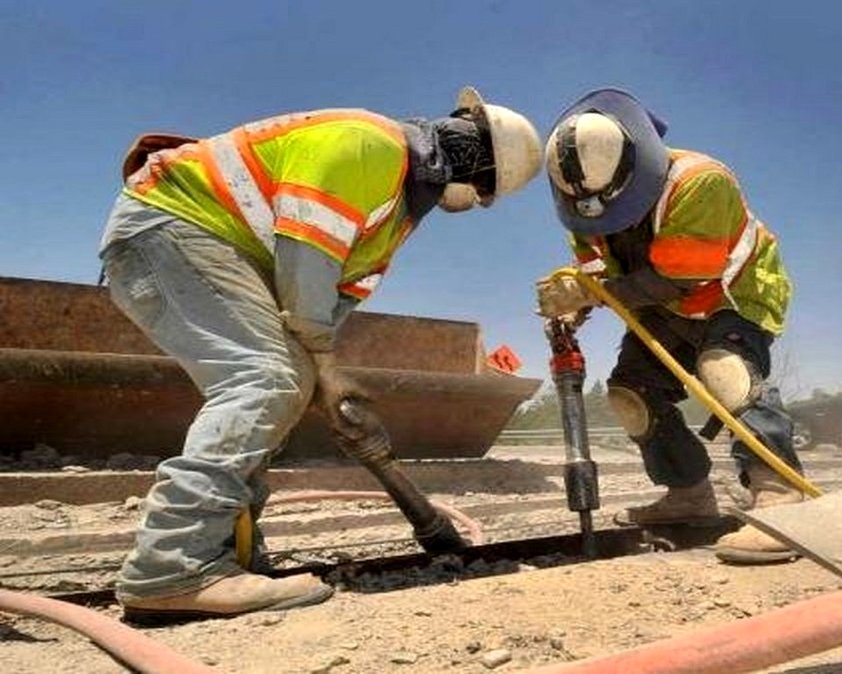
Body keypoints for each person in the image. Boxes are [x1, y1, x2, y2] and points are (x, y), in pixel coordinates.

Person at [99, 87, 542, 620]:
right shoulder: (370, 143)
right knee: (264, 379)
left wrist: (325, 381)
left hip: (211, 247)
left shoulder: (390, 219)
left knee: (285, 383)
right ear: (477, 168)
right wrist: (319, 367)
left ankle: (227, 554)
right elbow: (305, 261)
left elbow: (327, 309)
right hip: (174, 228)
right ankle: (172, 567)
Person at [535, 88, 801, 564]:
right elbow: (600, 269)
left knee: (725, 370)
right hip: (662, 303)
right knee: (631, 395)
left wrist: (591, 293)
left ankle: (779, 493)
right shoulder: (582, 206)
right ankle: (689, 494)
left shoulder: (700, 181)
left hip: (731, 293)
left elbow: (681, 276)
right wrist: (578, 299)